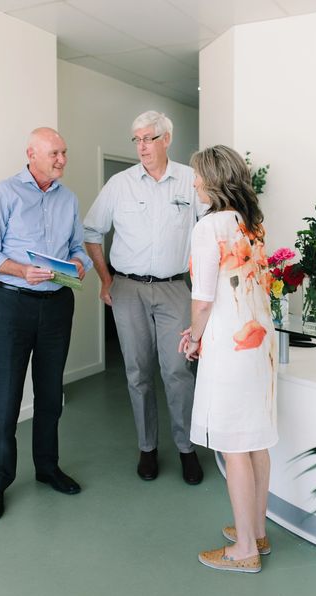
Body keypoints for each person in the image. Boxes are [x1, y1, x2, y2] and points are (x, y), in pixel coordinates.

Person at [0, 127, 92, 520]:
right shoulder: (4, 193)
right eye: (54, 153)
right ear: (32, 154)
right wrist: (21, 270)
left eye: (64, 152)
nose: (62, 159)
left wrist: (80, 264)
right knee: (6, 398)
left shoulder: (68, 198)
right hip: (13, 305)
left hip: (58, 305)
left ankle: (47, 467)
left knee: (50, 395)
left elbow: (78, 248)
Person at [84, 110, 204, 484]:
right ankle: (147, 448)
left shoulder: (190, 181)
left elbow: (210, 233)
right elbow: (91, 232)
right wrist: (106, 281)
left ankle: (186, 448)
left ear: (167, 139)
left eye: (148, 138)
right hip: (128, 289)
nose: (141, 147)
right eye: (136, 139)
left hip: (174, 287)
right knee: (137, 372)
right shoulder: (119, 184)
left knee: (178, 371)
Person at [179, 145, 277, 573]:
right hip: (259, 343)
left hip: (230, 346)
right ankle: (256, 531)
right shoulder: (251, 224)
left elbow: (202, 300)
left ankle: (245, 552)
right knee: (254, 440)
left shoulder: (209, 226)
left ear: (215, 180)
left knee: (234, 444)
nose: (195, 182)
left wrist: (193, 337)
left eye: (199, 175)